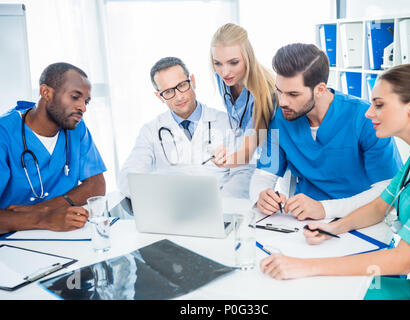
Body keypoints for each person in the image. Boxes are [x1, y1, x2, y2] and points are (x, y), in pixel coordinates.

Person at [260, 64, 410, 300]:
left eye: (379, 105)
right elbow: (380, 206)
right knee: (320, 288)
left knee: (320, 285)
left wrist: (306, 265)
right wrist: (332, 228)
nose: (369, 113)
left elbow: (402, 261)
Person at [252, 43, 403, 220]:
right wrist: (261, 196)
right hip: (302, 222)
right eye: (279, 91)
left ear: (320, 90)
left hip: (359, 219)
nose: (283, 101)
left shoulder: (365, 118)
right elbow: (264, 174)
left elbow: (388, 190)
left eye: (293, 94)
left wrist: (325, 209)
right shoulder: (281, 118)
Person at [0, 62, 107, 233]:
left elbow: (96, 185)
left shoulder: (76, 128)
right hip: (11, 243)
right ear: (46, 92)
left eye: (86, 101)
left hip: (63, 235)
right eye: (75, 97)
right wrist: (44, 218)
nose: (83, 107)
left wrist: (45, 208)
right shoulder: (4, 134)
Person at [118, 57, 245, 198]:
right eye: (168, 92)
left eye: (182, 85)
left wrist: (220, 202)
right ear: (159, 97)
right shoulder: (150, 131)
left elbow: (243, 173)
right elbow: (127, 179)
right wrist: (163, 197)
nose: (179, 97)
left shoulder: (227, 123)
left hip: (222, 210)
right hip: (172, 211)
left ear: (193, 81)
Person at [209, 23, 277, 195]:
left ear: (248, 57)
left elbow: (248, 152)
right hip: (246, 152)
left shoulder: (264, 91)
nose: (225, 72)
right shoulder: (224, 80)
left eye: (233, 62)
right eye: (218, 63)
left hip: (270, 158)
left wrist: (223, 161)